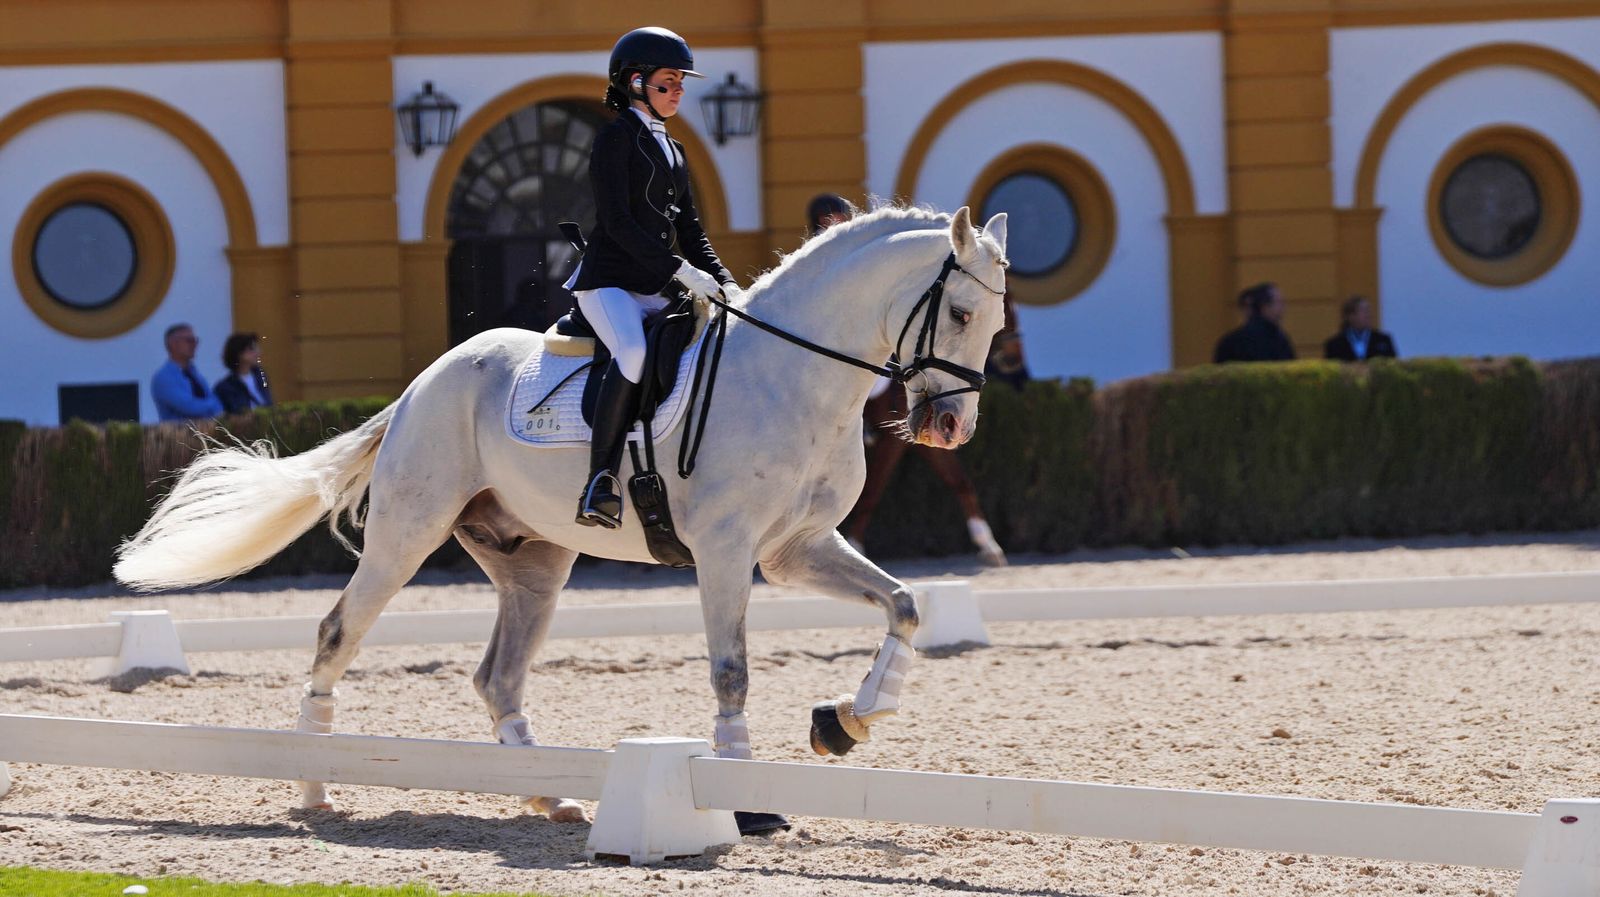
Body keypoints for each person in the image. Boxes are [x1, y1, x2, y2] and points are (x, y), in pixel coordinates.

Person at [565, 26, 739, 529]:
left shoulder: (675, 150)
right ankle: (599, 481)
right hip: (608, 284)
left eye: (681, 82)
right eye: (669, 82)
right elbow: (617, 224)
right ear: (636, 83)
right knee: (634, 353)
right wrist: (680, 272)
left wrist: (725, 281)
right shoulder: (613, 139)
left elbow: (690, 229)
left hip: (654, 286)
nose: (679, 91)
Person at [810, 202, 1007, 566]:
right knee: (873, 386)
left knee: (889, 379)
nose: (837, 224)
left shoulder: (861, 255)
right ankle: (864, 428)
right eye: (831, 221)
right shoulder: (819, 258)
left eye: (840, 219)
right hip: (842, 340)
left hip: (876, 340)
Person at [151, 323, 224, 422]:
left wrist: (212, 404)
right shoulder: (163, 378)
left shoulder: (195, 374)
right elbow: (190, 407)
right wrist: (212, 404)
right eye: (189, 341)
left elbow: (217, 406)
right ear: (173, 344)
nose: (194, 345)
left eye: (195, 341)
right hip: (179, 436)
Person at [1213, 282, 1296, 363]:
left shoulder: (1230, 340)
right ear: (1264, 306)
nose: (1283, 307)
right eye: (1279, 302)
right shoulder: (1276, 338)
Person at [215, 331, 275, 414]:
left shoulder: (260, 375)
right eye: (251, 349)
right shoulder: (225, 387)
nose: (258, 353)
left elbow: (269, 403)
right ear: (239, 353)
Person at [1323, 295, 1397, 361]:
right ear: (1351, 316)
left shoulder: (1383, 340)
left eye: (1369, 311)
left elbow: (1393, 366)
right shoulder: (1335, 344)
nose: (1369, 315)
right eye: (1364, 311)